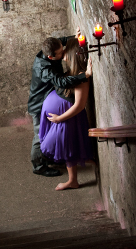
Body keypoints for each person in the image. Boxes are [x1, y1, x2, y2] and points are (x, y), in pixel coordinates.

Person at [27, 30, 91, 176]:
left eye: (63, 50)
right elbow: (61, 82)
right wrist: (84, 75)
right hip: (38, 104)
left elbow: (61, 41)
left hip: (46, 99)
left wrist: (74, 38)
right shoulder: (44, 69)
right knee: (39, 137)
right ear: (50, 56)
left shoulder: (52, 47)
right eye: (61, 53)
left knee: (49, 133)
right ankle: (39, 167)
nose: (63, 55)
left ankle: (52, 159)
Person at [39, 39, 94, 190]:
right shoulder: (73, 72)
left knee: (68, 150)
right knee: (67, 149)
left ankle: (72, 181)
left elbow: (79, 105)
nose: (63, 55)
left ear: (73, 54)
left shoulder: (82, 77)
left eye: (65, 52)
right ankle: (73, 180)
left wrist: (59, 118)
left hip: (67, 118)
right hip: (62, 118)